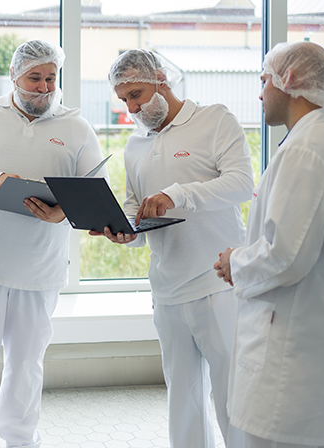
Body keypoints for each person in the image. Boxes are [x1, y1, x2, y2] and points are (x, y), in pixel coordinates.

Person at [0, 39, 108, 448]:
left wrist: (63, 212)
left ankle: (20, 439)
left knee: (26, 363)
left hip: (41, 268)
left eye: (51, 78)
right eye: (34, 78)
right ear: (14, 76)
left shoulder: (76, 126)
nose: (44, 88)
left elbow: (94, 191)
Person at [91, 49, 254, 448]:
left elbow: (240, 184)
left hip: (220, 281)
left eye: (137, 93)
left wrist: (177, 193)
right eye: (125, 99)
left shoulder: (215, 119)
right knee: (183, 397)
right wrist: (126, 229)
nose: (132, 106)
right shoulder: (135, 144)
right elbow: (136, 202)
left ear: (162, 78)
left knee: (233, 394)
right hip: (167, 288)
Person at [215, 41, 324, 448]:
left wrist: (235, 262)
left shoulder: (310, 149)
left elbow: (286, 255)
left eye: (264, 80)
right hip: (303, 353)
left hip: (292, 370)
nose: (260, 92)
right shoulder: (318, 141)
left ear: (291, 80)